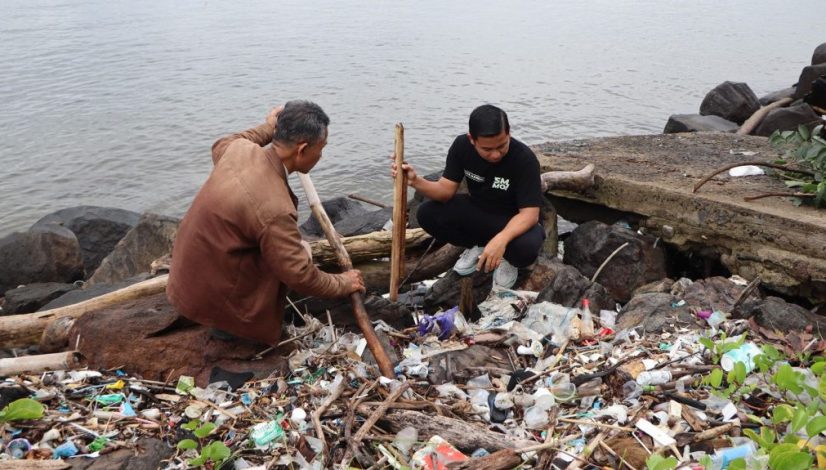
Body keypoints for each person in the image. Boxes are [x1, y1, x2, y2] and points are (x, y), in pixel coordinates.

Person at [167, 101, 364, 346]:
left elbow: (221, 144)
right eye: (321, 148)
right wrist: (342, 283)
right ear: (301, 150)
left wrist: (268, 128)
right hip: (215, 301)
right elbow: (299, 275)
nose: (321, 155)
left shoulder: (238, 150)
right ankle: (231, 328)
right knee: (300, 253)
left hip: (185, 283)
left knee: (294, 247)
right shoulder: (274, 209)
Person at [392, 104, 544, 289]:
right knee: (427, 213)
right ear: (472, 139)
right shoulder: (461, 147)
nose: (495, 154)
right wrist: (415, 181)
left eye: (501, 146)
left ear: (509, 133)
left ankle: (507, 259)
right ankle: (478, 246)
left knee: (526, 248)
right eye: (487, 149)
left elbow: (529, 214)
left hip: (514, 220)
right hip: (479, 212)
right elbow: (445, 191)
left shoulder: (524, 159)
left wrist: (501, 240)